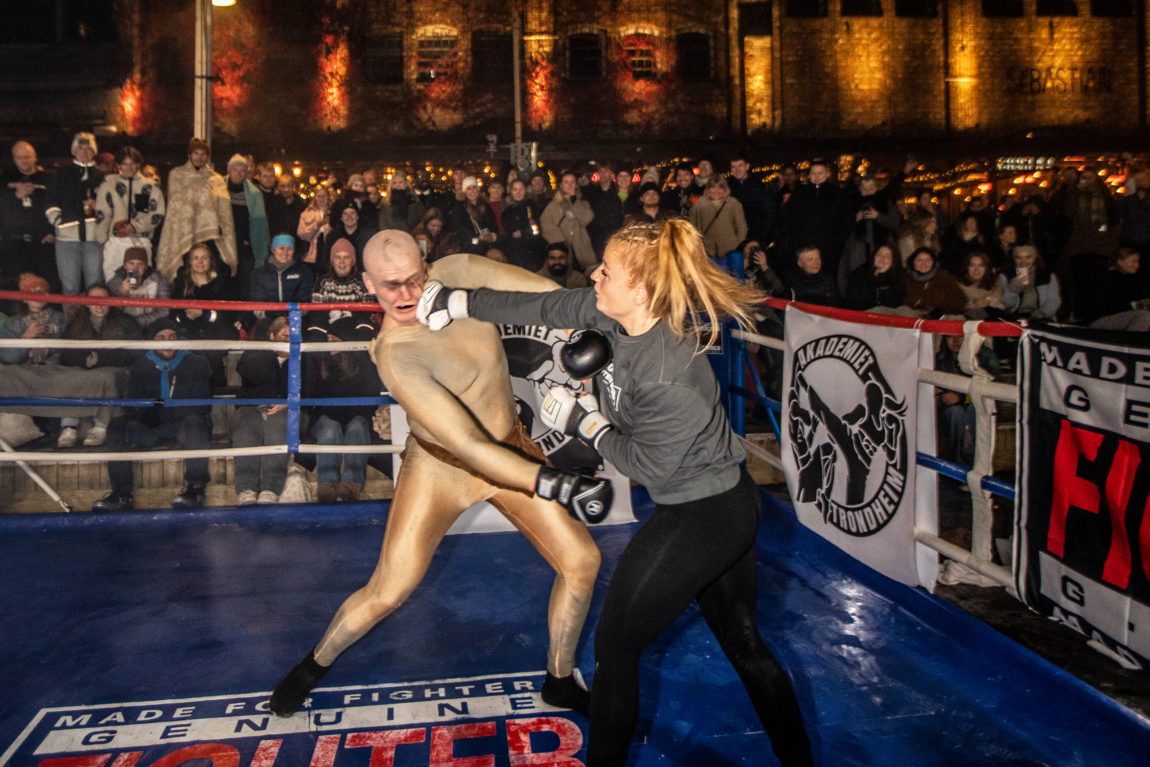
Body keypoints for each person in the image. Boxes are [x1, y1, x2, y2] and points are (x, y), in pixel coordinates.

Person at [419, 219, 814, 767]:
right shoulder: (612, 308)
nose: (595, 274)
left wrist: (585, 423)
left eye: (607, 270)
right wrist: (459, 302)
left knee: (616, 648)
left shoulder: (670, 372)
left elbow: (645, 465)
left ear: (641, 291)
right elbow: (548, 309)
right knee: (744, 645)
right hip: (713, 498)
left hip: (706, 514)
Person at [268, 230, 609, 719]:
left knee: (582, 562)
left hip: (511, 445)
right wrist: (557, 482)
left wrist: (592, 320)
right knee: (389, 589)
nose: (406, 295)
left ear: (427, 263)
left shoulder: (458, 274)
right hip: (442, 467)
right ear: (367, 283)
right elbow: (468, 445)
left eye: (413, 279)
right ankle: (310, 668)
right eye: (390, 286)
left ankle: (558, 677)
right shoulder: (395, 353)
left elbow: (548, 296)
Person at [91, 317, 213, 511]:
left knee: (196, 423)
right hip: (151, 424)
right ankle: (121, 493)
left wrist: (162, 410)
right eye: (161, 337)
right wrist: (151, 412)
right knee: (117, 426)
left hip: (181, 424)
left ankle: (196, 488)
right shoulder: (141, 366)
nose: (168, 342)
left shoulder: (196, 363)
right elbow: (134, 404)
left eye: (172, 337)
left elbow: (201, 402)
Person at [57, 282, 142, 447]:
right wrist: (83, 360)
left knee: (106, 376)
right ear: (87, 303)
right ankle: (68, 427)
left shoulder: (125, 322)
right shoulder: (76, 324)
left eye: (104, 300)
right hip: (85, 373)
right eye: (94, 300)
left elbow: (135, 354)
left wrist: (100, 359)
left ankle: (100, 427)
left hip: (117, 372)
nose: (99, 305)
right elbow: (66, 355)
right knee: (71, 375)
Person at [156, 138, 237, 287]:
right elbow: (176, 205)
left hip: (210, 235)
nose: (199, 157)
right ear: (189, 155)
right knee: (185, 271)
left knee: (211, 270)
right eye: (196, 153)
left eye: (203, 154)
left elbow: (224, 210)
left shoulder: (216, 178)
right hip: (184, 231)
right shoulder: (177, 175)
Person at [232, 316, 294, 505]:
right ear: (272, 336)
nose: (289, 341)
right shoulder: (257, 355)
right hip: (255, 407)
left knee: (278, 421)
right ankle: (246, 488)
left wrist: (289, 402)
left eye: (292, 337)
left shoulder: (303, 357)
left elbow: (309, 388)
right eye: (284, 336)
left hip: (291, 410)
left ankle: (270, 488)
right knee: (245, 422)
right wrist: (270, 354)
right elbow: (246, 372)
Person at [169, 242, 241, 389]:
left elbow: (229, 314)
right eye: (195, 258)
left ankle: (217, 397)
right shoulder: (181, 283)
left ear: (211, 260)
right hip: (189, 331)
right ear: (189, 261)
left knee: (212, 353)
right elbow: (174, 314)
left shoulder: (223, 282)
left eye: (204, 258)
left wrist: (204, 314)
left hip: (217, 331)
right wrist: (188, 318)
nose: (200, 262)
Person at [44, 132, 104, 295]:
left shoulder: (102, 177)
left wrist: (99, 206)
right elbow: (51, 201)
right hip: (67, 239)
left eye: (89, 149)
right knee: (70, 287)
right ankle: (71, 320)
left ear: (94, 152)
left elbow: (109, 206)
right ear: (74, 151)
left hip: (94, 239)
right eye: (80, 148)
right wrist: (59, 221)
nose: (84, 152)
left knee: (96, 286)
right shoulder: (61, 175)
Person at [94, 146, 165, 281]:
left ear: (138, 164)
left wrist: (137, 226)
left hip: (140, 241)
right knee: (114, 281)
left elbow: (157, 214)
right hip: (116, 241)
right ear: (119, 165)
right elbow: (102, 213)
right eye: (124, 164)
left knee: (137, 282)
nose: (129, 167)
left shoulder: (150, 186)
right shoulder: (109, 183)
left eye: (133, 163)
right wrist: (102, 238)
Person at [1, 141, 56, 295]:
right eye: (19, 158)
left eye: (27, 157)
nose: (23, 161)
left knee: (47, 284)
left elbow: (59, 206)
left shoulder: (47, 179)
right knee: (16, 287)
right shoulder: (5, 179)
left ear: (35, 157)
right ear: (13, 159)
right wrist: (16, 195)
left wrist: (52, 231)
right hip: (14, 243)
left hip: (42, 242)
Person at [541, 170, 596, 273]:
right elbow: (545, 223)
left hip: (582, 249)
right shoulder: (553, 205)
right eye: (566, 182)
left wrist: (575, 202)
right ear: (561, 185)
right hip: (563, 251)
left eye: (572, 182)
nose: (570, 185)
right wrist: (560, 241)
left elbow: (587, 218)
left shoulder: (583, 203)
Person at [107, 246, 171, 330]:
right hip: (124, 326)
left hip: (150, 325)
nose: (135, 268)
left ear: (145, 266)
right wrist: (122, 292)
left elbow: (164, 310)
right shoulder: (115, 282)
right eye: (131, 263)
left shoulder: (157, 279)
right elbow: (110, 312)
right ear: (125, 266)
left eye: (140, 264)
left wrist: (136, 322)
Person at [688, 176, 747, 259]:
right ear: (708, 188)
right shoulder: (699, 204)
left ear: (725, 189)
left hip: (730, 251)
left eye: (720, 187)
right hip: (707, 251)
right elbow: (692, 226)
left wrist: (738, 246)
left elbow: (741, 226)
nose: (716, 191)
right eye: (713, 187)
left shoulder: (733, 203)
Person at [902, 246, 965, 319]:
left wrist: (935, 312)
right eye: (919, 260)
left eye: (928, 260)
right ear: (912, 262)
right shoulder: (904, 278)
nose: (924, 264)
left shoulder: (944, 278)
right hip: (909, 320)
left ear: (934, 262)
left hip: (938, 320)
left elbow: (959, 303)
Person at [250, 234, 314, 304]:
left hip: (295, 314)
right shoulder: (259, 274)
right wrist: (276, 314)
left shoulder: (303, 272)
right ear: (273, 250)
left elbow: (304, 301)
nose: (285, 252)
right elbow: (258, 303)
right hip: (269, 314)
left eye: (289, 249)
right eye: (281, 248)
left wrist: (289, 315)